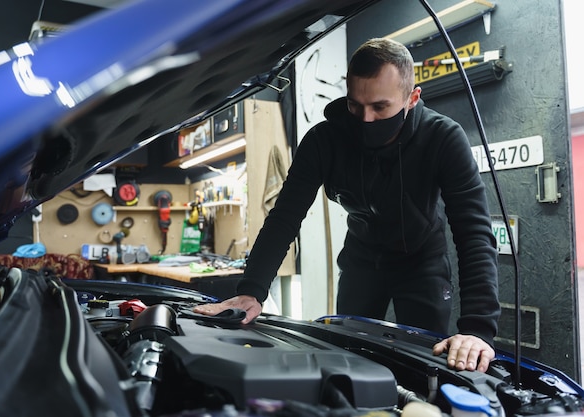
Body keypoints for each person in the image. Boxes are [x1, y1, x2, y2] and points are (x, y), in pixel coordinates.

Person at [194, 38, 500, 373]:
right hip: (362, 260)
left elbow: (474, 233)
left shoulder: (443, 139)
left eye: (380, 108)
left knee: (424, 365)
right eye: (356, 106)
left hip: (422, 263)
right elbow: (284, 217)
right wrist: (252, 291)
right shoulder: (324, 141)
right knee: (350, 358)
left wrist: (476, 329)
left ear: (412, 98)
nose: (366, 120)